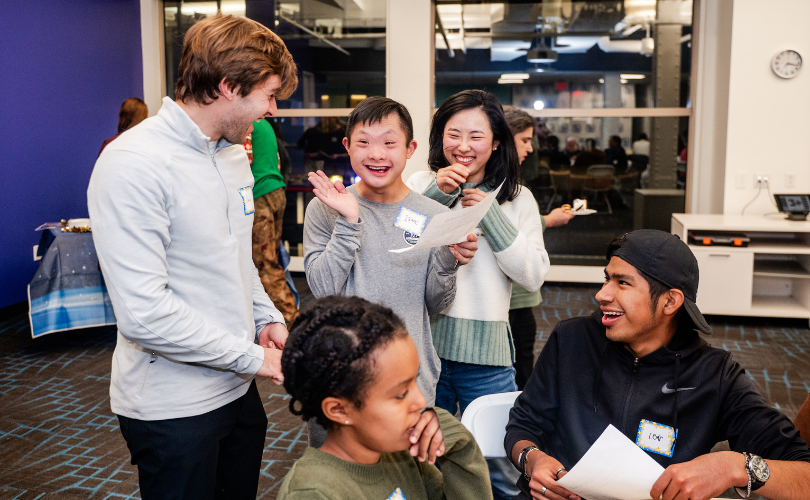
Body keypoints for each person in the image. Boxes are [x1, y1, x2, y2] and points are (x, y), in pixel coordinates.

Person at [87, 15, 298, 499]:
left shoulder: (230, 153)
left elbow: (236, 260)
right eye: (267, 95)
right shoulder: (133, 164)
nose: (270, 110)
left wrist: (266, 319)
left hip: (236, 391)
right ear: (227, 86)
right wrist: (254, 357)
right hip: (172, 408)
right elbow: (144, 314)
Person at [505, 230, 810, 500]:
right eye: (607, 278)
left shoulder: (715, 375)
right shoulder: (571, 339)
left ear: (670, 302)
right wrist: (532, 459)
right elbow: (523, 424)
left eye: (622, 283)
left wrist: (734, 467)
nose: (602, 294)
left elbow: (804, 476)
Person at [303, 96, 479, 444]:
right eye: (364, 143)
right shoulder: (325, 208)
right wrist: (349, 221)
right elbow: (323, 290)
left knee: (405, 487)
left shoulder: (434, 213)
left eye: (389, 142)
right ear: (347, 147)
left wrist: (449, 258)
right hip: (340, 375)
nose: (377, 154)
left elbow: (436, 304)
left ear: (410, 147)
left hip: (408, 380)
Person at [408, 90, 549, 500]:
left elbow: (533, 275)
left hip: (485, 359)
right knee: (418, 458)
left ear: (496, 142)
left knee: (496, 470)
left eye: (476, 136)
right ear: (440, 138)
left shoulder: (518, 199)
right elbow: (397, 244)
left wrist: (491, 215)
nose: (463, 146)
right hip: (422, 349)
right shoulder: (419, 185)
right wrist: (435, 197)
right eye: (453, 134)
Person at [277, 296, 493, 500]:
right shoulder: (311, 493)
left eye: (414, 382)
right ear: (339, 410)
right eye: (400, 394)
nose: (419, 401)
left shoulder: (401, 456)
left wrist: (460, 447)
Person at [503, 106, 575, 390]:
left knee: (521, 363)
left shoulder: (517, 187)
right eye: (524, 140)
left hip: (519, 296)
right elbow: (507, 235)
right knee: (518, 368)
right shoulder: (503, 189)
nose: (530, 148)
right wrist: (548, 220)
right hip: (511, 299)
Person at [244, 118, 298, 327]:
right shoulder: (264, 124)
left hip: (258, 195)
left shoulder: (248, 124)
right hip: (275, 190)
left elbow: (242, 160)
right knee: (271, 260)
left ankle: (290, 321)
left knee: (264, 265)